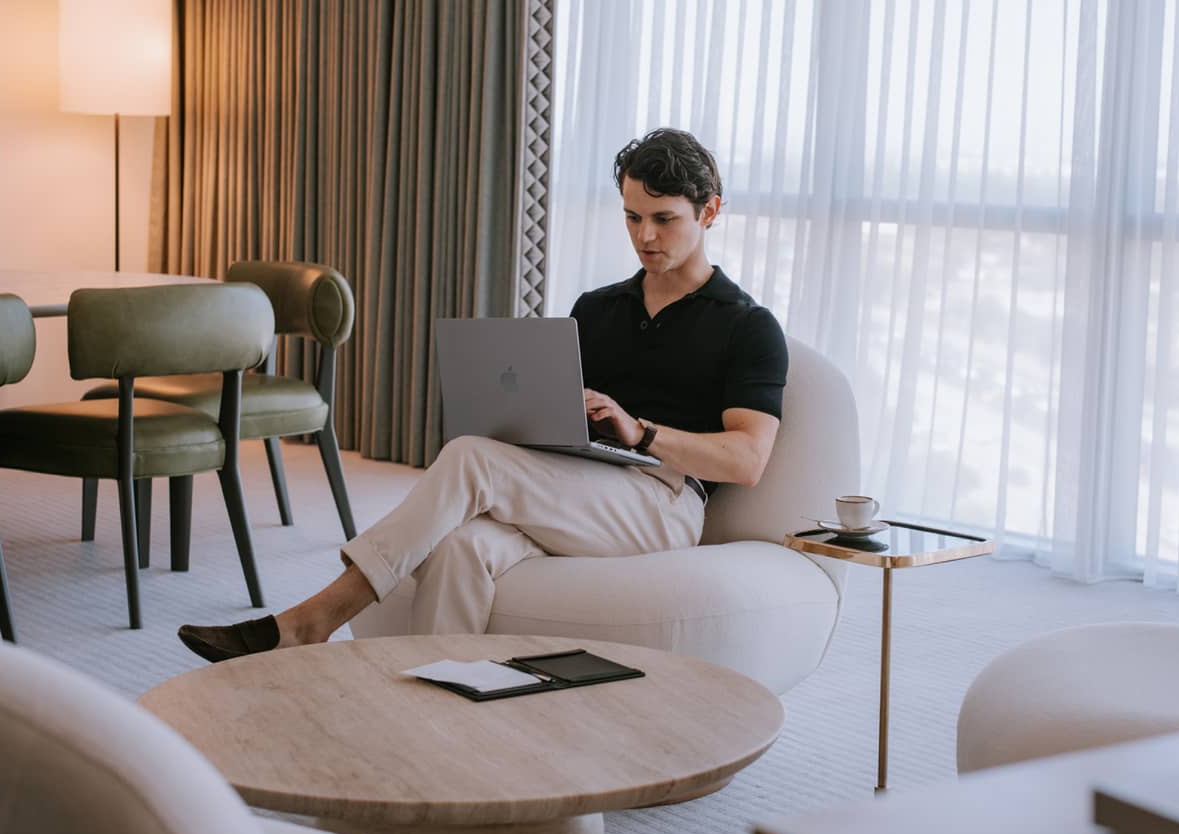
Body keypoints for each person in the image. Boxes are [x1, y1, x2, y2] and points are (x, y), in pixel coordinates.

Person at [177, 128, 789, 662]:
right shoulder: (597, 309)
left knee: (471, 457)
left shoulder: (746, 324)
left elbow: (748, 460)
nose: (644, 236)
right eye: (632, 217)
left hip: (664, 501)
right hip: (574, 483)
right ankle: (436, 712)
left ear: (709, 212)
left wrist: (643, 432)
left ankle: (313, 620)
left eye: (663, 219)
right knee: (463, 549)